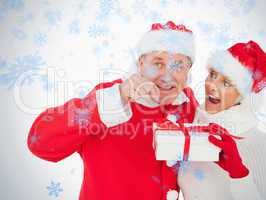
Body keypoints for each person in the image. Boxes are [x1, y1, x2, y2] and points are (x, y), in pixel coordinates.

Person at [27, 21, 199, 200]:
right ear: (141, 63)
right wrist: (118, 96)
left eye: (178, 65)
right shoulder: (111, 97)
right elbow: (39, 142)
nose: (167, 75)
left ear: (188, 72)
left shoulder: (187, 103)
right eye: (158, 63)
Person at [178, 40, 266, 200]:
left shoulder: (259, 143)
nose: (211, 85)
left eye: (226, 83)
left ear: (243, 95)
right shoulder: (194, 127)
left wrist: (238, 173)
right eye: (212, 74)